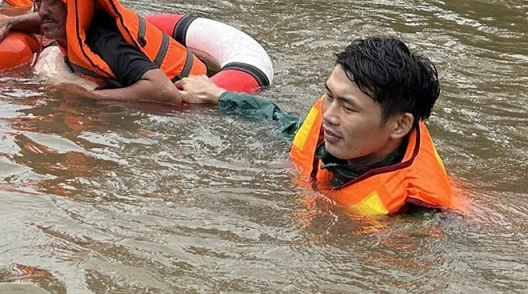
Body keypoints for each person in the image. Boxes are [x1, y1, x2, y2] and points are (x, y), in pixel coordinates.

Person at [176, 37, 460, 215]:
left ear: (400, 125)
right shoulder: (336, 128)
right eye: (329, 96)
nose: (329, 116)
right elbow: (282, 124)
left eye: (348, 107)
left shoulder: (417, 214)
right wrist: (220, 96)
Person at [17, 0, 206, 104]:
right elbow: (54, 19)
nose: (42, 11)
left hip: (193, 91)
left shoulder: (107, 40)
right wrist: (10, 22)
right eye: (38, 1)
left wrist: (91, 97)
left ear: (74, 3)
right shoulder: (80, 23)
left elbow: (165, 92)